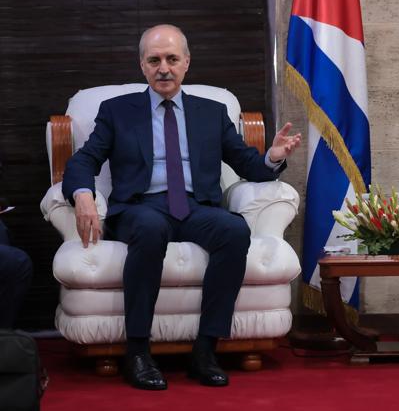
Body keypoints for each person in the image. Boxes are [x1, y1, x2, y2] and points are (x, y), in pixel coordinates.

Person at [62, 24, 301, 390]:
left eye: (172, 59)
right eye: (154, 60)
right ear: (142, 65)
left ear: (186, 62)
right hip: (140, 207)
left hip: (194, 206)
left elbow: (247, 164)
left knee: (234, 230)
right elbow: (84, 159)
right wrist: (82, 194)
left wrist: (273, 156)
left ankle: (205, 350)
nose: (164, 68)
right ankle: (137, 352)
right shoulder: (117, 111)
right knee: (150, 227)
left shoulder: (212, 112)